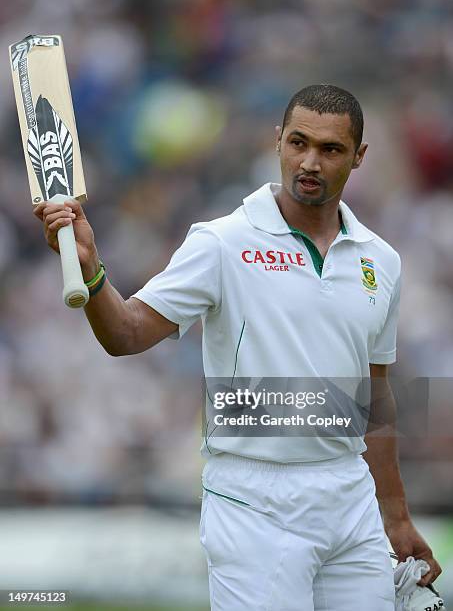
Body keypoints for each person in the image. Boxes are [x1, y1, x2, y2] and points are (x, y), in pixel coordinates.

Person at [34, 84, 441, 610]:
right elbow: (126, 333)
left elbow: (375, 397)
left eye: (331, 149)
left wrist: (397, 515)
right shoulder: (221, 241)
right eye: (298, 142)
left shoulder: (381, 261)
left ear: (359, 156)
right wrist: (91, 272)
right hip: (255, 499)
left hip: (351, 496)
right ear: (278, 142)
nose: (310, 161)